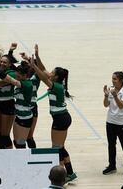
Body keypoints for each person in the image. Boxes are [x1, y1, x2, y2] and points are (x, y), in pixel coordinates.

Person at [30, 54, 77, 183]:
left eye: (52, 72)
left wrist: (33, 65)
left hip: (60, 119)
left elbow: (42, 76)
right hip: (62, 118)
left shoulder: (56, 86)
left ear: (55, 76)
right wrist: (37, 58)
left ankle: (62, 174)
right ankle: (70, 173)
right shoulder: (57, 82)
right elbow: (43, 69)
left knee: (56, 147)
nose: (49, 72)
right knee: (60, 147)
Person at [102, 72, 123, 178]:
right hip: (110, 122)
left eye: (115, 79)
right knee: (111, 145)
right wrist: (106, 96)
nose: (112, 80)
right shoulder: (111, 89)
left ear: (121, 80)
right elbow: (106, 105)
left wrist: (115, 96)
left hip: (122, 123)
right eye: (112, 78)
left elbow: (121, 106)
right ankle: (112, 166)